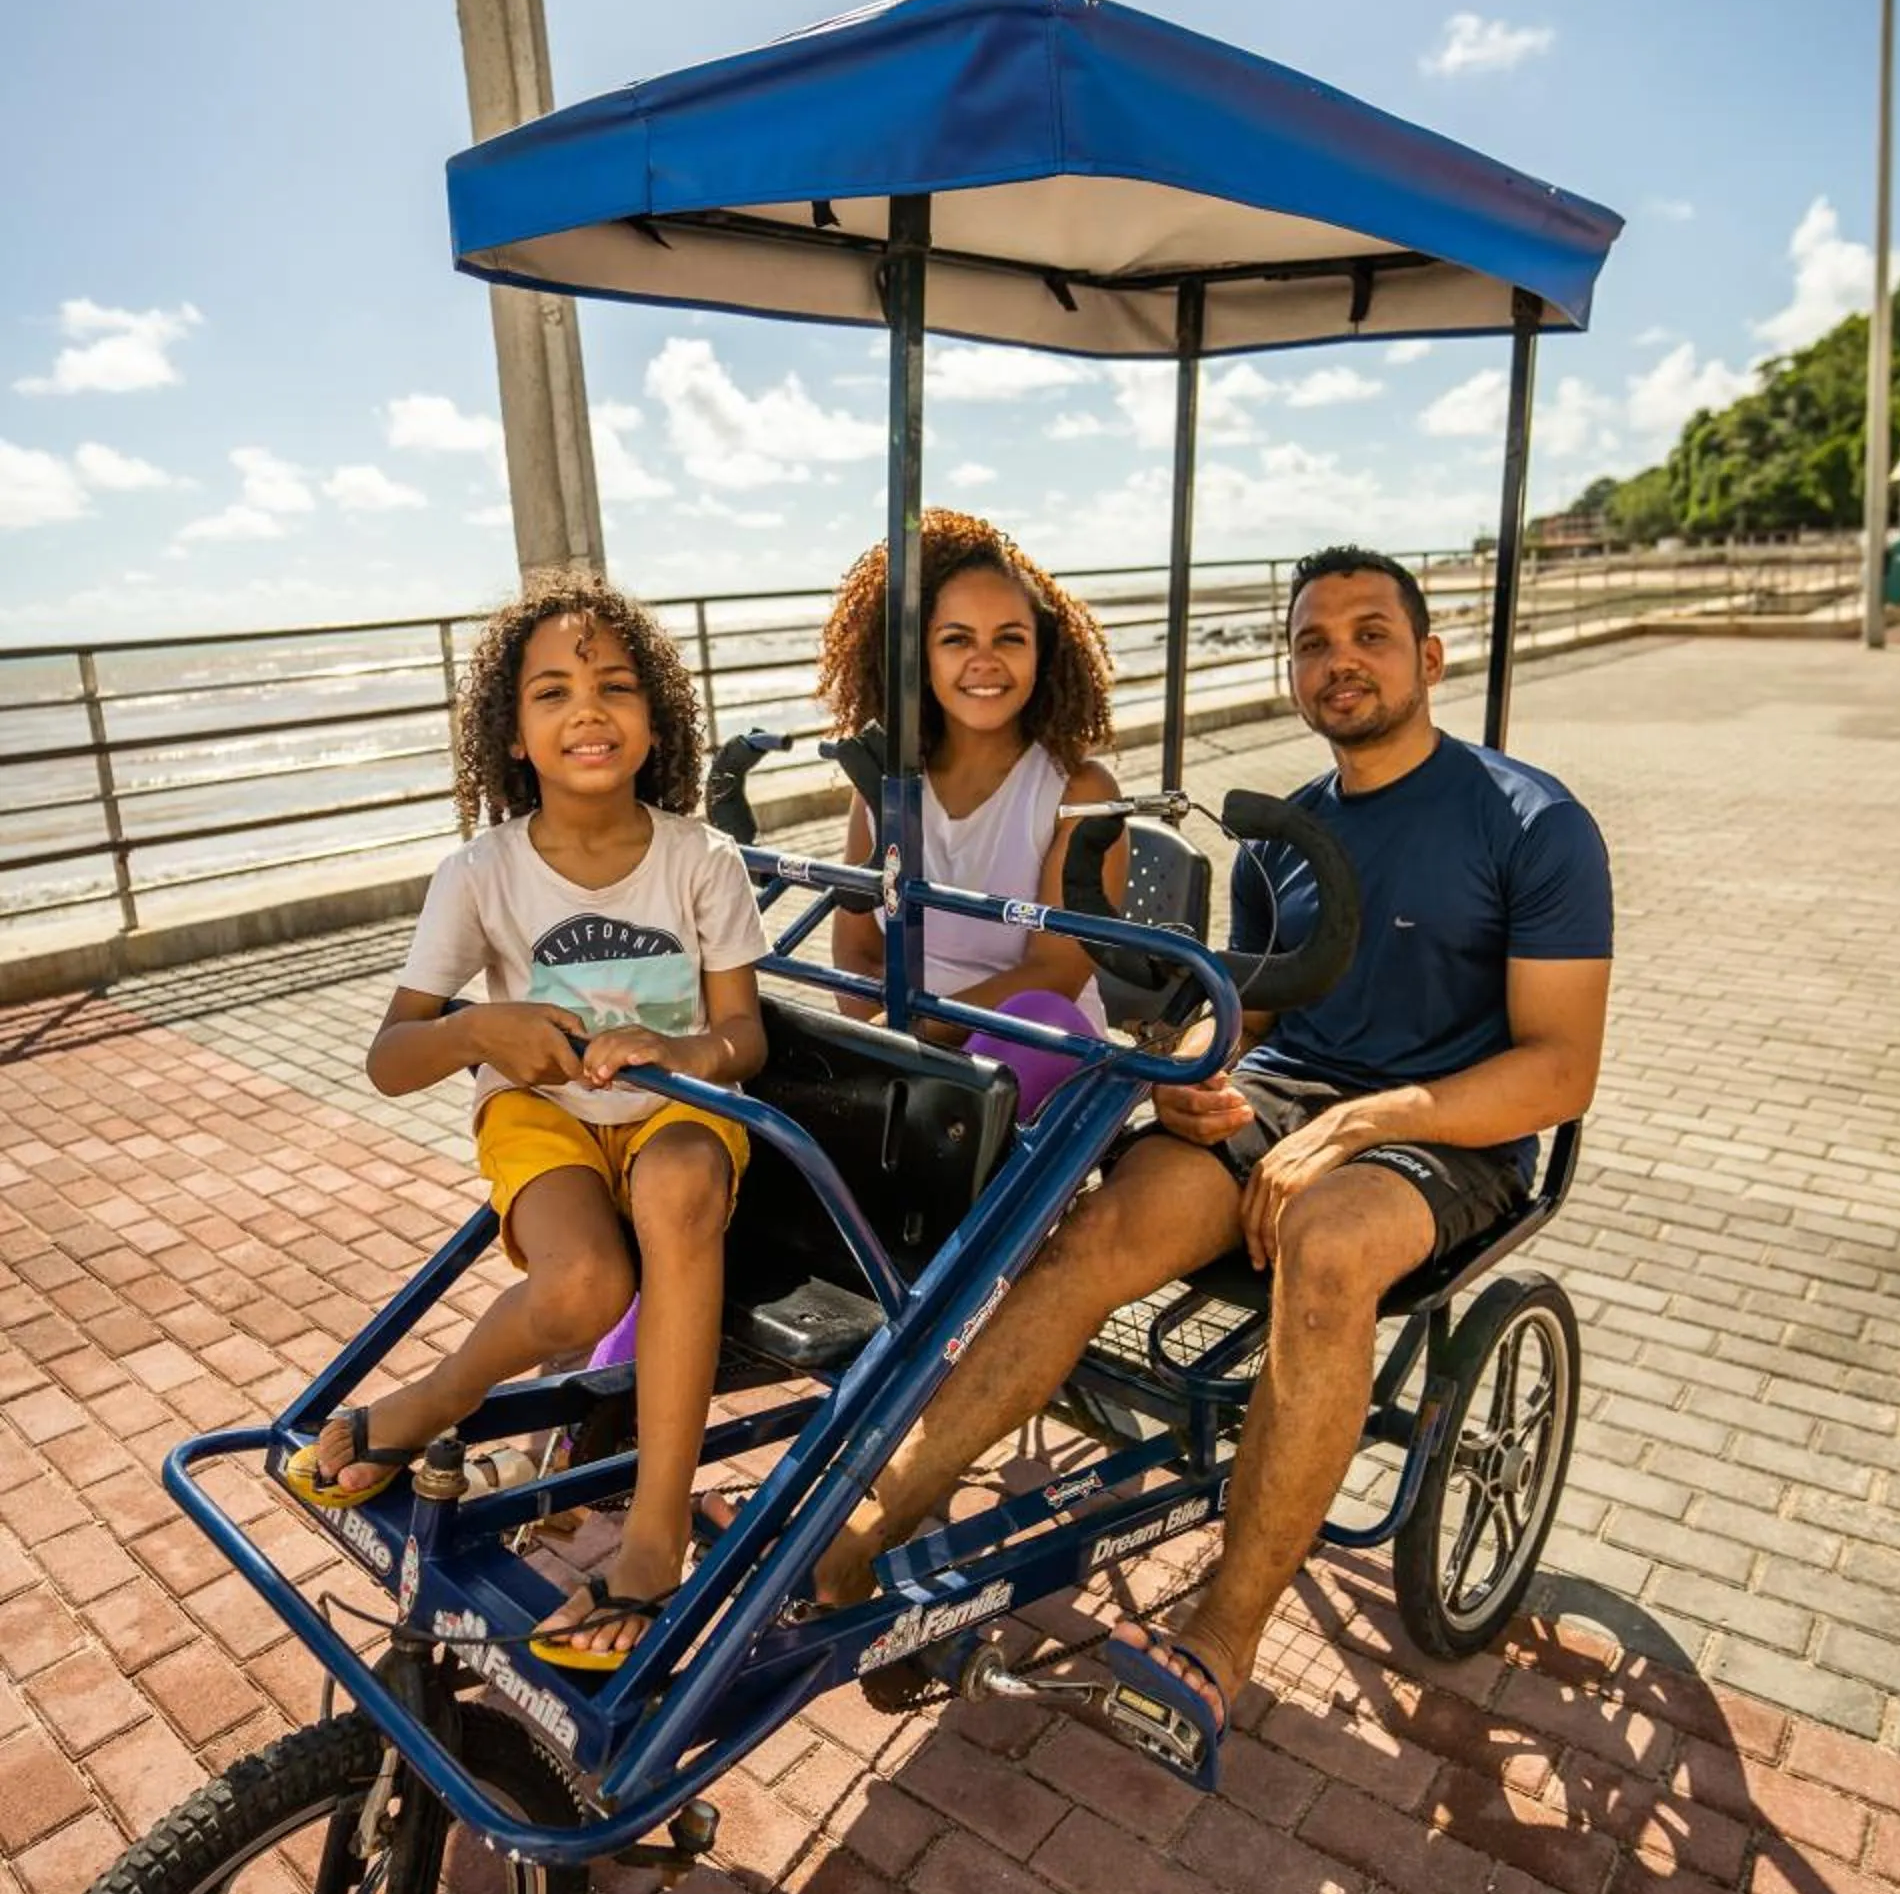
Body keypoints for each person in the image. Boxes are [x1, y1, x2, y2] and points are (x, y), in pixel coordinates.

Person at [807, 544, 1614, 1784]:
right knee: (1091, 1233)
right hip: (1283, 1103)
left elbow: (1558, 1069)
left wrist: (1357, 1127)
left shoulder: (1531, 821)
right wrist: (1191, 1065)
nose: (1335, 660)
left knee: (1328, 1239)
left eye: (1367, 635)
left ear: (1429, 656)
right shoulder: (1287, 836)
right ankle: (867, 1533)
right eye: (1308, 641)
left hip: (1447, 1135)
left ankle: (1217, 1640)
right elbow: (1249, 1009)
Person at [284, 578, 768, 1670]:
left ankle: (655, 1531)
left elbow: (745, 1037)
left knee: (678, 1189)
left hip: (678, 1114)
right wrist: (481, 1028)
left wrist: (689, 1055)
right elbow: (391, 1058)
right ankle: (434, 1401)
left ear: (658, 718)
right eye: (552, 691)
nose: (586, 710)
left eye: (613, 686)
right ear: (513, 734)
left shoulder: (702, 860)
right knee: (585, 1289)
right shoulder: (480, 874)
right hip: (542, 1117)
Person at [818, 509, 1128, 1113]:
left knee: (1039, 1019)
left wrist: (905, 1034)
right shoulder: (883, 783)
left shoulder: (1080, 792)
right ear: (919, 657)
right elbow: (856, 950)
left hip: (1029, 1056)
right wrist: (874, 1048)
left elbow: (1053, 976)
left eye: (1009, 638)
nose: (984, 661)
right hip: (908, 1058)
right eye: (957, 639)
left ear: (1043, 653)